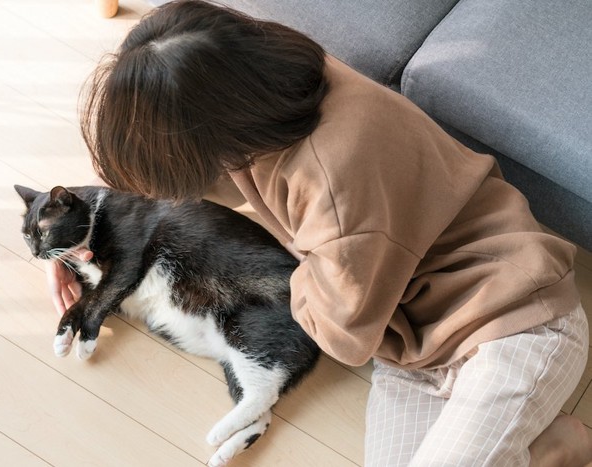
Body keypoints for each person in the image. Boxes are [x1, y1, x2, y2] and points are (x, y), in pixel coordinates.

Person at [50, 1, 592, 465]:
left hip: (513, 319)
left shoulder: (334, 189)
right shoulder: (267, 82)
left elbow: (342, 335)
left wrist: (301, 271)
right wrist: (83, 239)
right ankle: (544, 445)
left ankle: (531, 437)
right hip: (410, 344)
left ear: (211, 138)